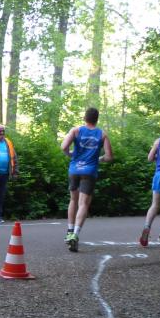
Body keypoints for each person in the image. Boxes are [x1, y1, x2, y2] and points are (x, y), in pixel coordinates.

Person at [60, 107, 114, 252]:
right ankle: (75, 234)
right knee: (83, 203)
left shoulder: (76, 131)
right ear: (97, 119)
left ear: (85, 118)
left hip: (74, 169)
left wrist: (71, 155)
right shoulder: (102, 134)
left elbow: (64, 147)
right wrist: (99, 159)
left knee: (73, 200)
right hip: (89, 171)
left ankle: (69, 231)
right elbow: (109, 157)